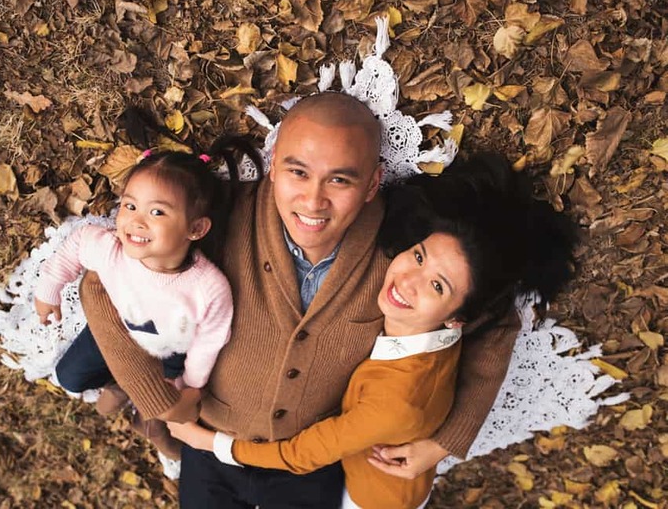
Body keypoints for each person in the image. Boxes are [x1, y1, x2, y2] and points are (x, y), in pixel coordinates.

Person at [79, 93, 522, 508]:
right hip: (209, 438)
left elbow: (495, 316)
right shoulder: (221, 218)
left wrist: (447, 439)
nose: (313, 200)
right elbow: (99, 282)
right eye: (297, 172)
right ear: (272, 166)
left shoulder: (403, 249)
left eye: (340, 180)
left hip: (310, 462)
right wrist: (157, 401)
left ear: (372, 184)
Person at [167, 153, 577, 509]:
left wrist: (208, 444)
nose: (409, 282)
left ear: (460, 318)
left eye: (438, 286)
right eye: (418, 256)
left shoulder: (401, 395)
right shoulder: (401, 277)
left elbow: (303, 454)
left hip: (373, 495)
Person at [33, 150, 233, 460]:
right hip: (115, 332)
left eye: (157, 213)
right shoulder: (111, 248)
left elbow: (210, 341)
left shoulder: (207, 287)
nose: (135, 221)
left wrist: (193, 385)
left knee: (167, 412)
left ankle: (138, 399)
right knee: (70, 377)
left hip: (169, 352)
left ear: (195, 229)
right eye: (129, 205)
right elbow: (76, 244)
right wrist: (49, 289)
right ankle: (123, 383)